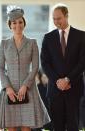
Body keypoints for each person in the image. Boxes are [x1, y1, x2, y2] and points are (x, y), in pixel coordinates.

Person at [0, 6, 50, 131]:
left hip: (28, 90)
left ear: (24, 23)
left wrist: (25, 86)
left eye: (20, 22)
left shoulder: (32, 42)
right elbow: (1, 68)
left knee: (26, 128)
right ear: (10, 25)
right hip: (10, 91)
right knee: (11, 128)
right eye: (14, 23)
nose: (17, 25)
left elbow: (35, 67)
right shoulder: (4, 44)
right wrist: (7, 88)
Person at [41, 3, 85, 131]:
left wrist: (68, 80)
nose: (56, 21)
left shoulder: (81, 36)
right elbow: (45, 63)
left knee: (73, 126)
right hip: (55, 91)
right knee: (57, 127)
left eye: (58, 18)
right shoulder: (48, 38)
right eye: (54, 19)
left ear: (66, 16)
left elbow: (82, 62)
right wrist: (58, 81)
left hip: (74, 89)